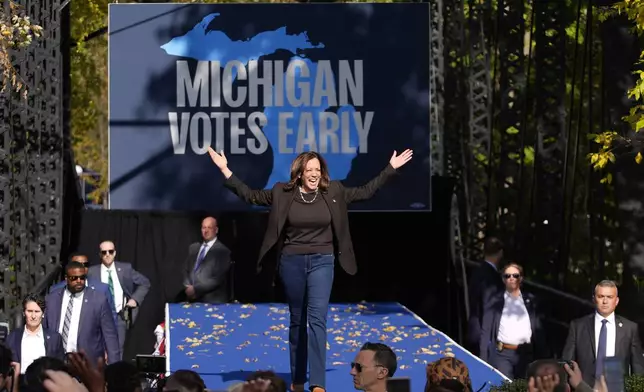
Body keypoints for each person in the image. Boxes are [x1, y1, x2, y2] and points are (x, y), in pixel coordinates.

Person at [208, 147, 413, 392]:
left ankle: (317, 384)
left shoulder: (334, 191)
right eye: (310, 170)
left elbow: (366, 191)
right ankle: (297, 380)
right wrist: (224, 169)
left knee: (317, 320)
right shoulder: (282, 193)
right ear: (300, 173)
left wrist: (390, 168)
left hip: (322, 262)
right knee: (297, 321)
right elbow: (250, 195)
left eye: (318, 169)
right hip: (291, 262)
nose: (314, 174)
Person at [562, 280, 644, 386]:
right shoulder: (578, 326)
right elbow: (566, 363)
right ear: (594, 299)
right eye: (601, 296)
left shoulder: (630, 328)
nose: (605, 301)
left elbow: (638, 369)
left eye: (609, 297)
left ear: (617, 301)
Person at [44, 261, 121, 364]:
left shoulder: (98, 299)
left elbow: (110, 336)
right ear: (66, 278)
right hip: (57, 361)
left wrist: (114, 367)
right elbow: (44, 331)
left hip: (87, 363)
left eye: (82, 277)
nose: (79, 281)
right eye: (74, 278)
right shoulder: (52, 299)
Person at [5, 294, 65, 373]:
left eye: (37, 311)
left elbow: (60, 369)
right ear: (24, 313)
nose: (33, 316)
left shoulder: (55, 339)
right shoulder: (12, 338)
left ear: (43, 314)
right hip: (20, 384)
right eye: (30, 311)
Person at [182, 217, 232, 303]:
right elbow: (186, 269)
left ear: (216, 230)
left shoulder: (223, 251)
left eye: (209, 228)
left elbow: (217, 279)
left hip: (212, 301)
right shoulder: (193, 248)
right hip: (192, 300)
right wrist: (187, 286)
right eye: (204, 227)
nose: (206, 231)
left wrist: (195, 289)